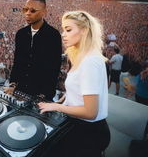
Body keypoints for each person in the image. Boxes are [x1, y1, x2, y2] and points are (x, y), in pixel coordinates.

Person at [38, 11, 110, 157]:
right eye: (63, 29)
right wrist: (65, 98)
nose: (63, 34)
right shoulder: (84, 57)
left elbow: (90, 112)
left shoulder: (90, 61)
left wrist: (56, 106)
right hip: (80, 126)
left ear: (84, 30)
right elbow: (80, 88)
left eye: (68, 30)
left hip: (89, 134)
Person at [4, 0, 62, 101]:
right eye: (25, 9)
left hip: (41, 93)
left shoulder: (53, 35)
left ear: (44, 12)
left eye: (33, 10)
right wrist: (12, 84)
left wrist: (45, 94)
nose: (27, 13)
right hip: (19, 89)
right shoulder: (21, 34)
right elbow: (17, 62)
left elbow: (54, 68)